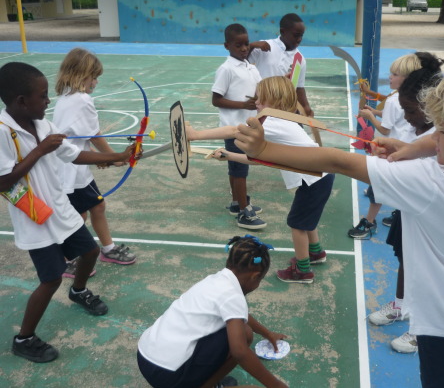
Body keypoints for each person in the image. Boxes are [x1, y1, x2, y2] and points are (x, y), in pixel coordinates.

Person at [235, 66, 444, 388]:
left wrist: (263, 150)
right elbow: (436, 142)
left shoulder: (431, 184)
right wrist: (410, 148)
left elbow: (339, 161)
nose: (436, 136)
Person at [0, 62, 136, 363]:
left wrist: (116, 156)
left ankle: (78, 291)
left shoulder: (44, 127)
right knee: (50, 280)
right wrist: (39, 150)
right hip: (35, 219)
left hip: (60, 210)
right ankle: (24, 338)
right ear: (22, 101)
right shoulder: (2, 132)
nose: (48, 101)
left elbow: (73, 155)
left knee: (88, 253)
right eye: (43, 96)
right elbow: (3, 181)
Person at [187, 76, 335, 284]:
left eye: (261, 99)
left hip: (315, 179)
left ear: (274, 100)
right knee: (306, 219)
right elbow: (260, 160)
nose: (256, 102)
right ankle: (316, 253)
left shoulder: (273, 122)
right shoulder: (284, 122)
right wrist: (228, 155)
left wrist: (194, 135)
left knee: (297, 224)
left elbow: (233, 130)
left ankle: (303, 271)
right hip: (319, 177)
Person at [366, 55, 444, 355]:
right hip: (410, 208)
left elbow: (337, 162)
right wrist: (399, 151)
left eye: (410, 110)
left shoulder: (443, 142)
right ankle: (401, 306)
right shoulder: (424, 135)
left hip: (432, 217)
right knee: (405, 257)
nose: (407, 117)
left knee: (427, 270)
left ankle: (423, 329)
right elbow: (411, 146)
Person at [137, 235, 288, 388]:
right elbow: (239, 352)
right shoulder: (232, 295)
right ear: (255, 276)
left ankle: (204, 382)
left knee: (241, 330)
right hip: (167, 376)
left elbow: (240, 314)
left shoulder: (215, 280)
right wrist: (276, 385)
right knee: (244, 335)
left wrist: (267, 333)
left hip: (146, 357)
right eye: (260, 280)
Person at [53, 48, 136, 276]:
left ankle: (107, 249)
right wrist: (115, 158)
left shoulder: (67, 97)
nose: (96, 82)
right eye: (94, 76)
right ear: (81, 75)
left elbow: (81, 136)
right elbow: (93, 135)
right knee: (77, 215)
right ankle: (67, 259)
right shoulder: (81, 100)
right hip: (70, 170)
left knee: (96, 206)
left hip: (76, 169)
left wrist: (106, 159)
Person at [348, 52, 427, 239]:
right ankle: (398, 214)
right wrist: (375, 110)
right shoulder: (411, 97)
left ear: (407, 79)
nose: (389, 76)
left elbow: (384, 130)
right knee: (403, 185)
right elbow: (396, 117)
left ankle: (369, 222)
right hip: (408, 149)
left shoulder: (393, 100)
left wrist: (369, 117)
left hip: (390, 151)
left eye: (395, 74)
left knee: (378, 183)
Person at [212, 24, 266, 230]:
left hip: (248, 127)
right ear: (227, 46)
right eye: (238, 45)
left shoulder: (251, 66)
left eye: (246, 44)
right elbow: (216, 100)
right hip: (233, 128)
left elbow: (261, 89)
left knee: (236, 168)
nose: (244, 48)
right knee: (240, 168)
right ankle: (245, 212)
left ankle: (237, 202)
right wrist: (243, 105)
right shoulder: (226, 69)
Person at [248, 13, 314, 118]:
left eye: (301, 35)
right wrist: (252, 46)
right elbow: (241, 60)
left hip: (282, 110)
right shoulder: (264, 46)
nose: (299, 39)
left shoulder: (299, 59)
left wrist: (306, 107)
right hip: (261, 106)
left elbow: (298, 87)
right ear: (283, 31)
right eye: (296, 35)